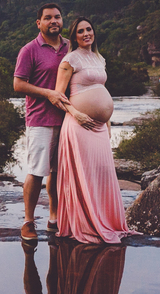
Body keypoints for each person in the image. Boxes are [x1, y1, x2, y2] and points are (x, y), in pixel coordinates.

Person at [54, 17, 134, 245]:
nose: (86, 33)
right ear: (74, 36)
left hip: (99, 127)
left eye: (89, 29)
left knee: (101, 173)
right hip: (79, 125)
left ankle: (105, 220)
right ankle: (86, 224)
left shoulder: (100, 58)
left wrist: (107, 122)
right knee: (85, 174)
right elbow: (58, 95)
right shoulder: (70, 59)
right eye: (81, 31)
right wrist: (75, 113)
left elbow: (101, 88)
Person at [14, 3, 70, 242]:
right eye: (48, 18)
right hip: (40, 120)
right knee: (37, 172)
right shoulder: (29, 50)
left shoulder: (71, 46)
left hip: (68, 119)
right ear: (39, 23)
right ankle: (28, 221)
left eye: (57, 17)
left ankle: (54, 218)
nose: (53, 21)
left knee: (58, 173)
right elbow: (18, 85)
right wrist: (48, 93)